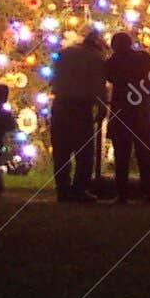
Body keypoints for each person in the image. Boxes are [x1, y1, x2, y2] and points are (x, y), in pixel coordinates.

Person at [49, 29, 108, 202]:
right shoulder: (96, 58)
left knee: (61, 150)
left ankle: (62, 189)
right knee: (84, 151)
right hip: (81, 106)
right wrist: (102, 107)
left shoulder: (64, 53)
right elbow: (99, 85)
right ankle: (80, 189)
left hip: (60, 104)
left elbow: (54, 78)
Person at [104, 30, 150, 203]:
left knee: (122, 155)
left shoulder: (111, 63)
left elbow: (110, 78)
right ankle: (147, 192)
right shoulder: (143, 58)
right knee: (145, 154)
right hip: (142, 110)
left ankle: (122, 194)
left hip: (121, 110)